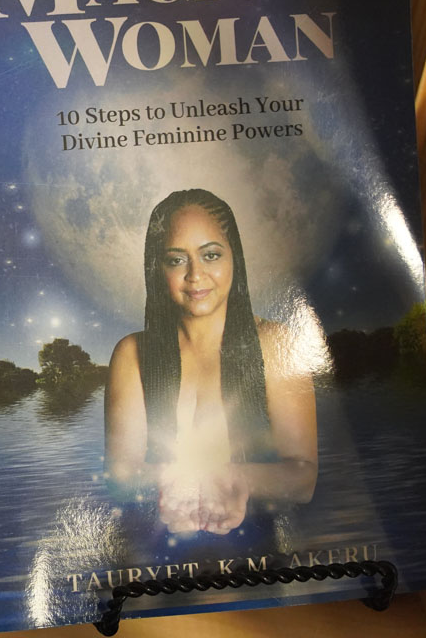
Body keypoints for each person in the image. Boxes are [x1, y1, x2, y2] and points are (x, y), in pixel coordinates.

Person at [105, 189, 319, 536]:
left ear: (235, 258)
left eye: (211, 255)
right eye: (176, 260)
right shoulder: (132, 353)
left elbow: (303, 479)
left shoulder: (276, 343)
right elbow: (120, 477)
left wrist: (233, 480)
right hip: (159, 543)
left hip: (259, 545)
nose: (195, 274)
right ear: (157, 268)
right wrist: (176, 482)